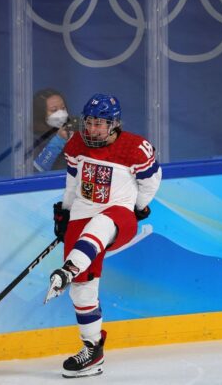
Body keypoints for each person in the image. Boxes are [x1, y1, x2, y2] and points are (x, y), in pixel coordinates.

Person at [44, 93, 162, 378]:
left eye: (100, 123)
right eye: (90, 122)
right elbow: (72, 182)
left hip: (119, 214)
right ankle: (92, 350)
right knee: (82, 288)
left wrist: (138, 208)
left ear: (114, 124)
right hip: (82, 214)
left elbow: (152, 182)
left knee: (101, 222)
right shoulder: (76, 143)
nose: (93, 129)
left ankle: (68, 269)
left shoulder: (136, 147)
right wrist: (65, 212)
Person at [32, 88, 75, 172]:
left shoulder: (73, 130)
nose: (61, 114)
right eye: (54, 110)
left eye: (63, 108)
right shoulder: (33, 139)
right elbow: (36, 170)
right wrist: (59, 140)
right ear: (41, 114)